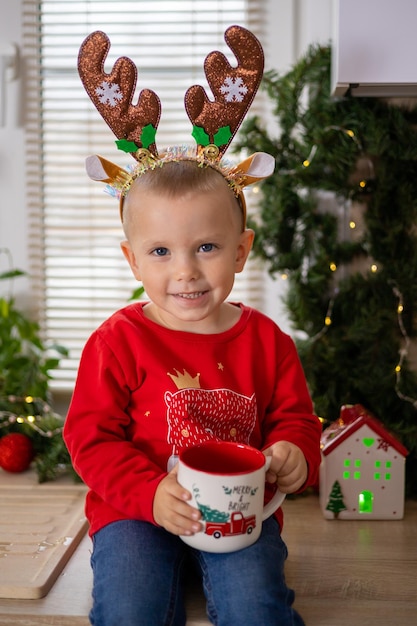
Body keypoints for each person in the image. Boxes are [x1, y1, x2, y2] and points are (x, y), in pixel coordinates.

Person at [65, 24, 322, 626]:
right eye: (160, 252)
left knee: (256, 606)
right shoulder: (116, 342)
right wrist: (148, 494)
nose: (186, 272)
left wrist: (293, 454)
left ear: (241, 250)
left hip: (238, 506)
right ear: (133, 259)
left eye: (206, 246)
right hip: (135, 508)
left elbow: (295, 418)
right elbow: (91, 439)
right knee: (129, 609)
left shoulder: (267, 341)